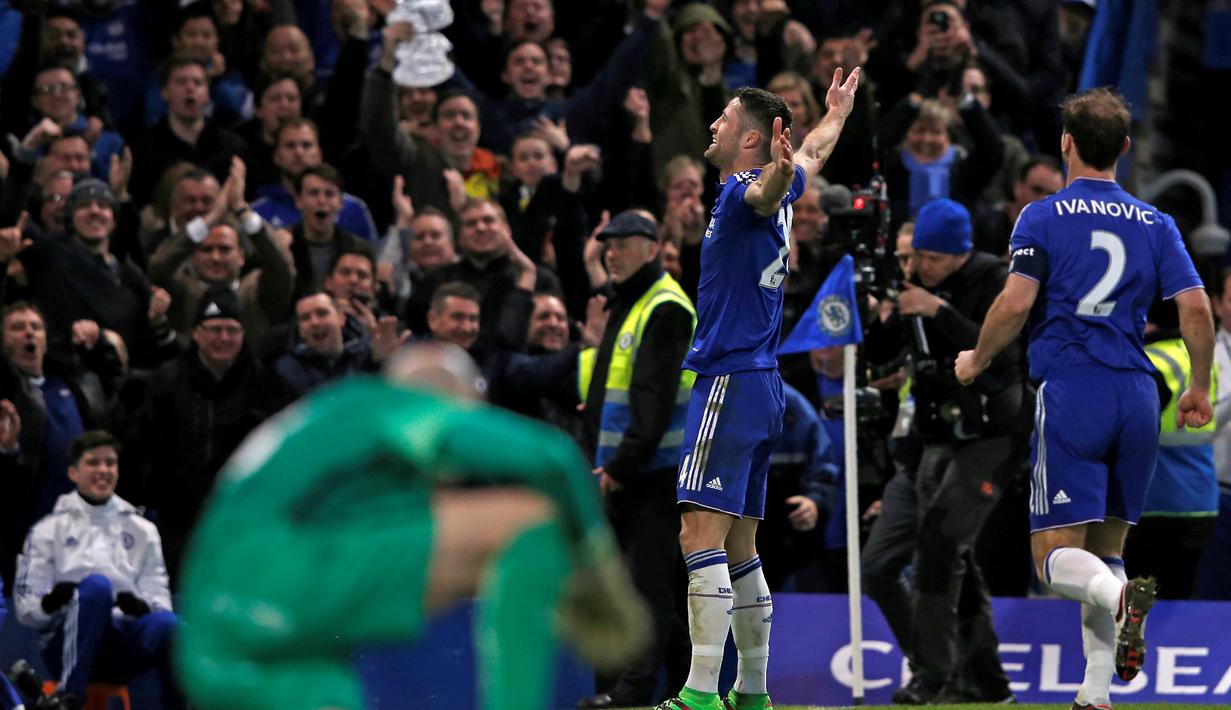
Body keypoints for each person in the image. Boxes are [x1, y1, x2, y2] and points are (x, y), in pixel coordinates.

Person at [175, 342, 650, 710]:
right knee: (528, 524)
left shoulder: (322, 434)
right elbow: (554, 458)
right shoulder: (393, 405)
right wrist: (595, 562)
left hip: (215, 647)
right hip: (278, 571)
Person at [955, 88, 1215, 710]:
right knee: (1108, 551)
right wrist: (1198, 387)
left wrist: (978, 357)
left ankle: (1120, 602)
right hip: (1138, 393)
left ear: (1066, 143)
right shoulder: (1159, 224)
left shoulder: (1042, 216)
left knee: (1055, 558)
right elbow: (1197, 308)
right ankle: (1095, 694)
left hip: (1074, 390)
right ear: (1124, 148)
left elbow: (1016, 303)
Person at [661, 67, 861, 710]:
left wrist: (774, 173)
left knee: (699, 534)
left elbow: (770, 187)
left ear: (749, 139)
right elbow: (807, 156)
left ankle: (698, 692)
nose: (714, 125)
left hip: (729, 381)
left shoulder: (742, 188)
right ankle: (750, 692)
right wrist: (836, 113)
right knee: (741, 544)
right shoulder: (771, 178)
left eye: (723, 118)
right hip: (763, 384)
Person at [575, 211, 696, 708]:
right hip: (625, 470)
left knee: (646, 585)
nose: (612, 252)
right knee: (641, 586)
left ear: (652, 248)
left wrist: (621, 467)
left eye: (623, 243)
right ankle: (671, 685)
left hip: (652, 472)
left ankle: (634, 690)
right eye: (608, 245)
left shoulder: (664, 306)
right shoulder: (630, 303)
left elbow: (653, 399)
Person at [13, 430, 183, 709]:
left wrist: (141, 608)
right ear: (73, 472)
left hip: (121, 645)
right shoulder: (47, 531)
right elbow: (27, 611)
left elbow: (160, 600)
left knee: (171, 626)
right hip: (65, 642)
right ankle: (69, 698)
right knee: (96, 588)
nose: (103, 470)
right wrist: (52, 601)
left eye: (110, 463)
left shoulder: (143, 530)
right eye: (93, 463)